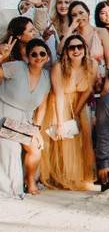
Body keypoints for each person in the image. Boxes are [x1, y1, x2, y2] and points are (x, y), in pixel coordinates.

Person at [39, 34, 96, 191]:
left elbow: (88, 90)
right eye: (72, 47)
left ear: (85, 49)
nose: (76, 50)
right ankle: (61, 176)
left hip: (79, 103)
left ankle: (80, 175)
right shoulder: (59, 67)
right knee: (63, 138)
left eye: (79, 47)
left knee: (84, 138)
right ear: (66, 51)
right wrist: (60, 121)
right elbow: (57, 94)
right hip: (60, 103)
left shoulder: (92, 64)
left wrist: (77, 111)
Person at [0, 38, 51, 198]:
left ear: (47, 56)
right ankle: (10, 190)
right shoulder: (16, 67)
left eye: (42, 53)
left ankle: (29, 181)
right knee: (11, 149)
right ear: (27, 57)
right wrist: (1, 57)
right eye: (33, 54)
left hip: (25, 119)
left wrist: (36, 129)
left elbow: (42, 106)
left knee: (35, 148)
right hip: (5, 113)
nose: (38, 57)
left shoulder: (46, 76)